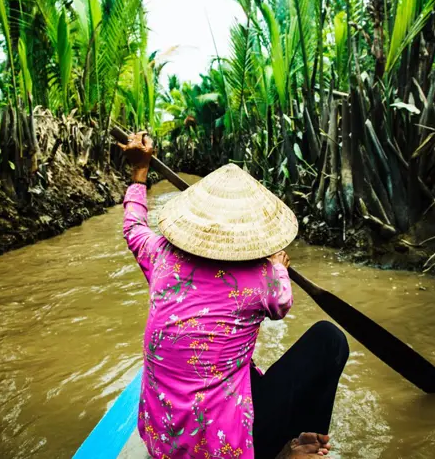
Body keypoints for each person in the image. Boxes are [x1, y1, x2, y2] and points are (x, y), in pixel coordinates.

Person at [119, 132, 349, 459]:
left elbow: (133, 227)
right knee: (330, 339)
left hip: (161, 439)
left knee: (243, 367)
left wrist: (139, 172)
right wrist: (278, 266)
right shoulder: (262, 280)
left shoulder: (160, 255)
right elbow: (281, 302)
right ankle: (303, 445)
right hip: (222, 451)